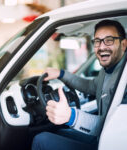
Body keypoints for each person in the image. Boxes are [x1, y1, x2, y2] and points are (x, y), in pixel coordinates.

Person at [32, 19, 127, 150]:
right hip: (101, 138)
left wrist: (71, 116)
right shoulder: (108, 71)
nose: (102, 47)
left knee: (41, 140)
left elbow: (112, 127)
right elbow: (90, 86)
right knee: (60, 133)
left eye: (109, 40)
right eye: (97, 41)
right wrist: (61, 74)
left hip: (112, 144)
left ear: (123, 44)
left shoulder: (124, 78)